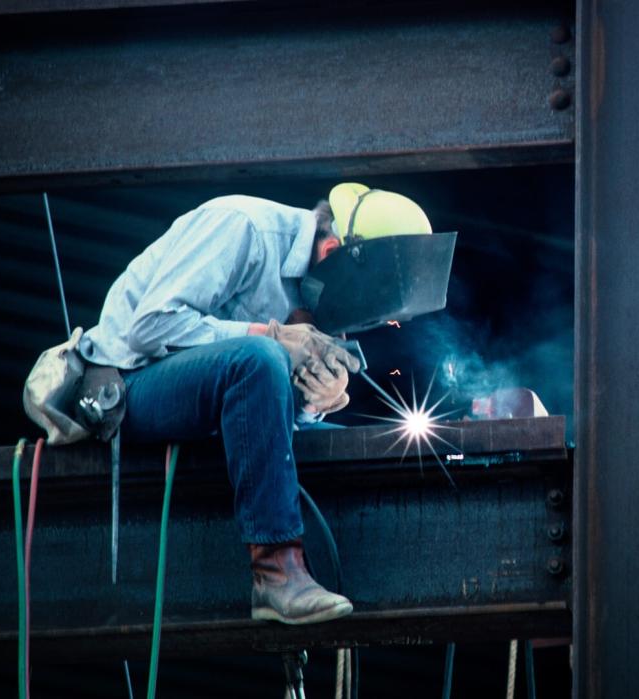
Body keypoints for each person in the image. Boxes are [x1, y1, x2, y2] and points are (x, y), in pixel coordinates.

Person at [77, 183, 433, 625]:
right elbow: (148, 328)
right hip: (130, 387)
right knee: (259, 358)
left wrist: (311, 404)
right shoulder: (245, 227)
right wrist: (271, 338)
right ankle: (277, 574)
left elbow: (266, 422)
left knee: (353, 445)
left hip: (220, 416)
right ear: (333, 250)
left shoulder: (319, 294)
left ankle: (369, 581)